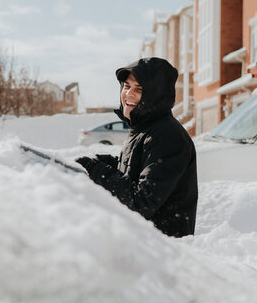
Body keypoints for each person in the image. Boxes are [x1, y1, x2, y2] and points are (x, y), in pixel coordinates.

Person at [76, 57, 198, 238]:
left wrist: (97, 170)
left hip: (163, 252)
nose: (129, 94)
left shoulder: (168, 137)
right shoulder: (145, 128)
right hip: (143, 245)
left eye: (139, 89)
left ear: (156, 95)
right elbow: (138, 167)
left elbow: (141, 202)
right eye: (126, 86)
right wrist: (105, 162)